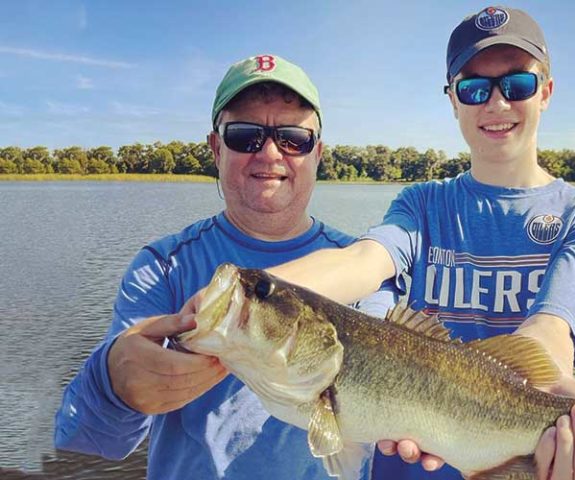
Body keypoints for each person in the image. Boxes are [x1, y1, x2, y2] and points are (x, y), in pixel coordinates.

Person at [265, 6, 575, 480]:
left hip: (517, 461)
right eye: (474, 88)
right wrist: (253, 295)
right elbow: (365, 263)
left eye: (516, 84)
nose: (496, 104)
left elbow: (550, 332)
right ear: (453, 101)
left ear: (546, 93)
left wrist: (557, 392)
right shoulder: (420, 205)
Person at [54, 54, 394, 480]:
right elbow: (94, 439)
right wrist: (113, 383)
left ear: (318, 153)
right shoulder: (163, 267)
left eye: (293, 138)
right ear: (216, 148)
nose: (270, 154)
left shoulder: (363, 266)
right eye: (245, 135)